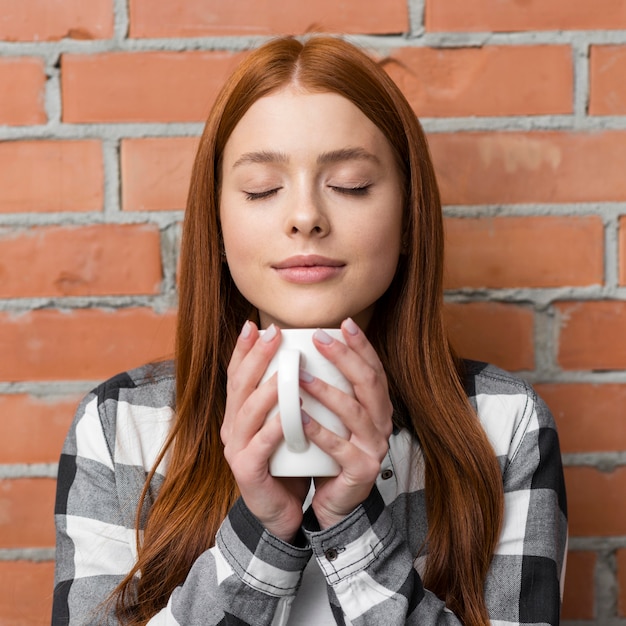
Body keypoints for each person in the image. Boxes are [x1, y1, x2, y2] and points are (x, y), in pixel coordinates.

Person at [52, 35, 567, 626]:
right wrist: (261, 533)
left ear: (408, 210)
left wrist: (352, 525)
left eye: (350, 184)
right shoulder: (121, 427)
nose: (305, 217)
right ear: (217, 221)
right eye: (262, 190)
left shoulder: (506, 426)